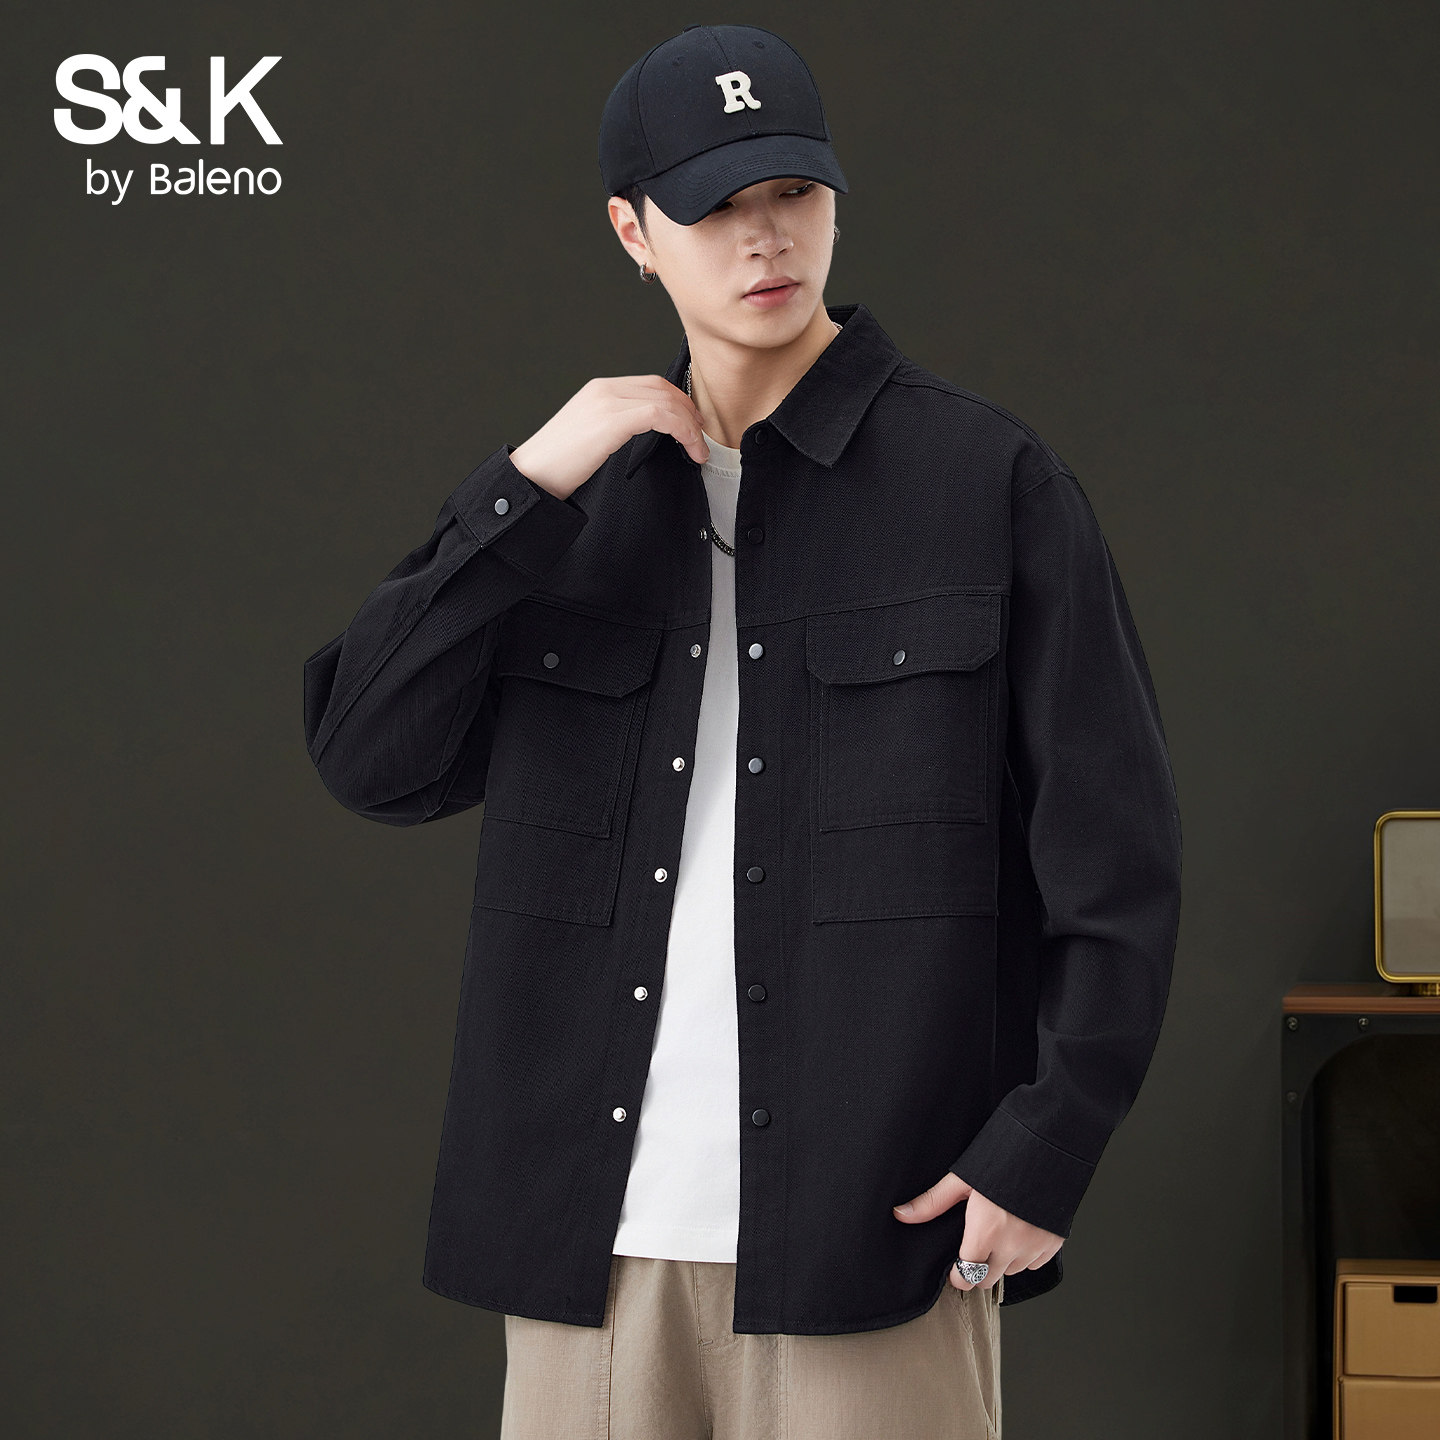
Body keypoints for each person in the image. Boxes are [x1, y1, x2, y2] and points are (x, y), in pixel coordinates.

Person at [302, 22, 1183, 1440]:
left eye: (794, 192)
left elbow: (1118, 861)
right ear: (632, 233)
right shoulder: (572, 512)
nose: (765, 238)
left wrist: (1048, 1143)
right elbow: (367, 754)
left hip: (876, 1242)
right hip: (589, 1246)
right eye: (716, 206)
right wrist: (524, 485)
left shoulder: (989, 484)